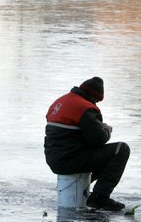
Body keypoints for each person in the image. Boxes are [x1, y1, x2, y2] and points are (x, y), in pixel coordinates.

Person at [44, 77, 130, 211]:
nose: (96, 103)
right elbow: (98, 140)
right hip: (70, 160)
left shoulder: (61, 102)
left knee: (97, 154)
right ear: (93, 96)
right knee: (121, 149)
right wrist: (106, 129)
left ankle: (78, 188)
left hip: (54, 159)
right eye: (97, 100)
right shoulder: (85, 108)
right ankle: (99, 197)